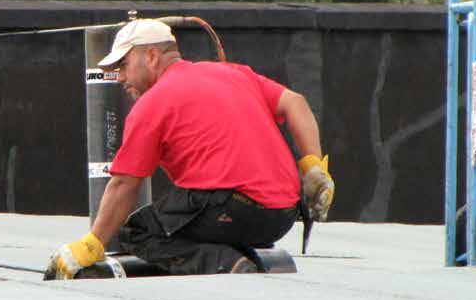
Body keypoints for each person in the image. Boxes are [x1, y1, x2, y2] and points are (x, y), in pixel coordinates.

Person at [45, 19, 334, 279]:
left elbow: (124, 185)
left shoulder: (153, 103)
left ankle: (226, 264)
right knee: (191, 214)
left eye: (123, 66)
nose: (120, 77)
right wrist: (313, 169)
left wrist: (92, 244)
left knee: (137, 231)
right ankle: (232, 255)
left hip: (233, 212)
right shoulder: (232, 73)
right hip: (281, 217)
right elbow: (295, 102)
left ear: (151, 56)